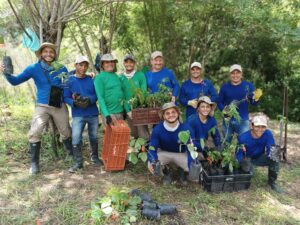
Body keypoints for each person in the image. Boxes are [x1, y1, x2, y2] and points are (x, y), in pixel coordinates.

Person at [0, 42, 72, 174]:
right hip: (42, 106)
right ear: (41, 54)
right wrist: (6, 73)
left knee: (66, 131)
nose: (48, 54)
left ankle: (70, 155)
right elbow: (15, 81)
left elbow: (67, 86)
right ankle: (34, 164)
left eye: (51, 52)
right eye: (46, 52)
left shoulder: (61, 68)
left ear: (54, 54)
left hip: (59, 105)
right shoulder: (33, 68)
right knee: (35, 131)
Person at [64, 56, 102, 172]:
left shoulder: (92, 79)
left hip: (92, 113)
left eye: (85, 65)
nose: (83, 67)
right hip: (78, 114)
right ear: (75, 65)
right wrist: (74, 102)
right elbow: (65, 97)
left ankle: (94, 157)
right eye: (80, 65)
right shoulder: (69, 80)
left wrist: (89, 100)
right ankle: (78, 162)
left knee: (94, 136)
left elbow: (97, 94)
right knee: (76, 138)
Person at [147, 102, 194, 185]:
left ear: (178, 113)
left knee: (193, 166)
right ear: (163, 116)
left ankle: (182, 171)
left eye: (173, 112)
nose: (171, 115)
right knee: (151, 164)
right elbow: (152, 148)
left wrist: (191, 164)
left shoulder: (186, 128)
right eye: (167, 113)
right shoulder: (157, 129)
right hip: (164, 152)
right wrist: (152, 161)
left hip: (181, 154)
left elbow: (191, 149)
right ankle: (166, 172)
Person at [236, 114, 283, 193]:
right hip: (247, 159)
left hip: (259, 157)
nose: (260, 129)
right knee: (252, 174)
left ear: (266, 127)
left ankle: (272, 182)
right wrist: (242, 162)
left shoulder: (268, 134)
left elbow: (270, 148)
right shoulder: (243, 137)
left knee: (276, 154)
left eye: (263, 127)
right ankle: (245, 172)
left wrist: (273, 156)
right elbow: (238, 154)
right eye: (257, 126)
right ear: (252, 126)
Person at [218, 64, 258, 143]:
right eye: (233, 73)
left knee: (243, 144)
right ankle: (225, 155)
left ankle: (241, 155)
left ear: (241, 74)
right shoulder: (224, 87)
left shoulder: (248, 86)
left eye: (238, 72)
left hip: (243, 121)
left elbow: (254, 104)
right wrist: (225, 111)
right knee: (226, 143)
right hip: (227, 121)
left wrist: (255, 98)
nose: (235, 75)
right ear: (230, 75)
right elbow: (219, 102)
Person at [93, 53, 131, 125]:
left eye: (112, 61)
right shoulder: (99, 78)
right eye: (107, 62)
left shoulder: (117, 76)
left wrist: (125, 109)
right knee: (113, 136)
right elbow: (100, 98)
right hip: (110, 113)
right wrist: (107, 115)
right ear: (102, 65)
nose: (110, 64)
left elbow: (123, 94)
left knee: (121, 135)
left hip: (120, 112)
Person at [121, 54, 150, 140]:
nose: (129, 64)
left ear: (134, 63)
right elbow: (122, 96)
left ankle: (146, 151)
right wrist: (128, 110)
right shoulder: (121, 78)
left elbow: (143, 91)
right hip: (128, 111)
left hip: (140, 109)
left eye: (131, 62)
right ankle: (138, 152)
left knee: (143, 134)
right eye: (127, 62)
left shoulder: (140, 75)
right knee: (134, 134)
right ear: (124, 63)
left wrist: (138, 106)